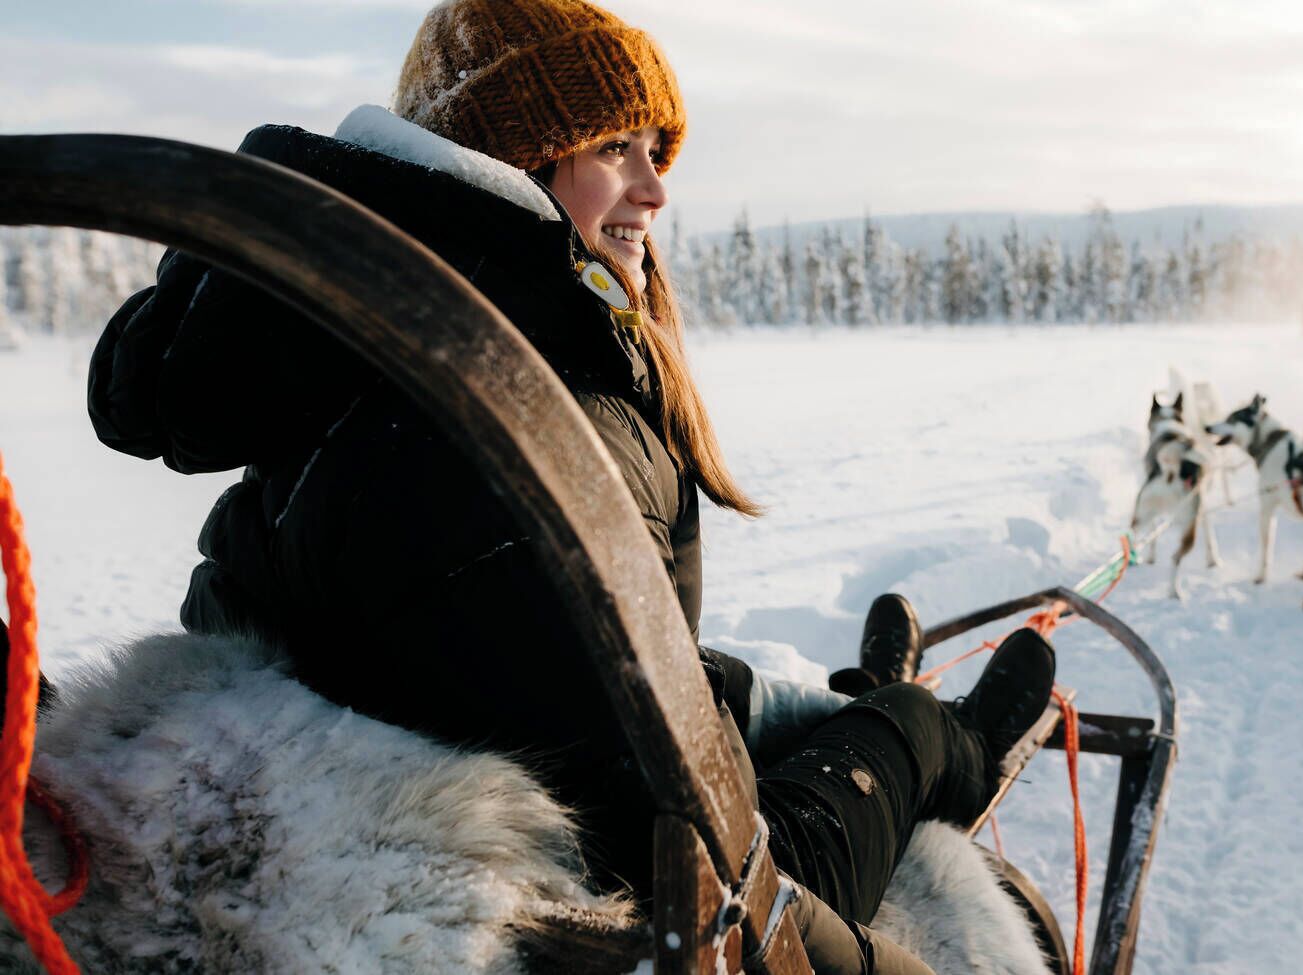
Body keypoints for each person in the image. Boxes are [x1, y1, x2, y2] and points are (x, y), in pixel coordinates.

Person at [86, 1, 1057, 971]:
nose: (654, 190)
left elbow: (501, 663)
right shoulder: (522, 421)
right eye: (616, 147)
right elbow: (710, 888)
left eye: (657, 153)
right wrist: (917, 740)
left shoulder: (361, 365)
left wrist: (783, 711)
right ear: (516, 153)